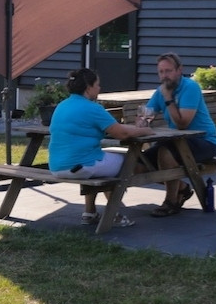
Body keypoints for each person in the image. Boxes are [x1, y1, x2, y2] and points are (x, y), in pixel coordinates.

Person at [47, 67, 158, 227]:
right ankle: (115, 214)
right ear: (88, 87)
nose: (100, 88)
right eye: (97, 85)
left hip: (57, 166)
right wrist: (145, 130)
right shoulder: (93, 108)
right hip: (80, 166)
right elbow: (122, 134)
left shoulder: (62, 105)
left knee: (104, 158)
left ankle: (89, 212)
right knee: (126, 163)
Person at [140, 52, 216, 216]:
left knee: (165, 152)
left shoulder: (190, 87)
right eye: (161, 72)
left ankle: (171, 202)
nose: (164, 76)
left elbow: (182, 124)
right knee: (138, 163)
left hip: (205, 141)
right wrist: (142, 121)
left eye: (168, 71)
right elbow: (147, 113)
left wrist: (169, 99)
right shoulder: (160, 90)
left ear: (179, 70)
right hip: (176, 142)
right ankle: (182, 189)